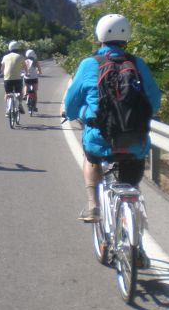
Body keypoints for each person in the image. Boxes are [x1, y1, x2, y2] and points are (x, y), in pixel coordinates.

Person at [63, 14, 161, 222]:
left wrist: (74, 114)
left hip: (100, 140)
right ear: (126, 38)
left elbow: (72, 100)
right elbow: (154, 98)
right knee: (131, 181)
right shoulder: (137, 64)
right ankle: (131, 221)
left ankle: (93, 206)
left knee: (91, 159)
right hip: (135, 141)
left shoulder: (89, 64)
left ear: (99, 36)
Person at [0, 40, 26, 115]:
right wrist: (26, 72)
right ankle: (20, 104)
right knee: (20, 92)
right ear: (17, 48)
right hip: (18, 78)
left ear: (9, 48)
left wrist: (2, 73)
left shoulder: (5, 57)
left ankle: (8, 109)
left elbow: (2, 67)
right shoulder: (20, 56)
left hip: (7, 79)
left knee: (7, 93)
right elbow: (25, 67)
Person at [22, 48, 42, 113]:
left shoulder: (25, 61)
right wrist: (39, 72)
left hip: (27, 78)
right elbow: (39, 70)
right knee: (35, 91)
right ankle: (34, 106)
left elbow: (22, 69)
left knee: (26, 86)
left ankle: (25, 94)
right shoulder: (35, 61)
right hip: (34, 78)